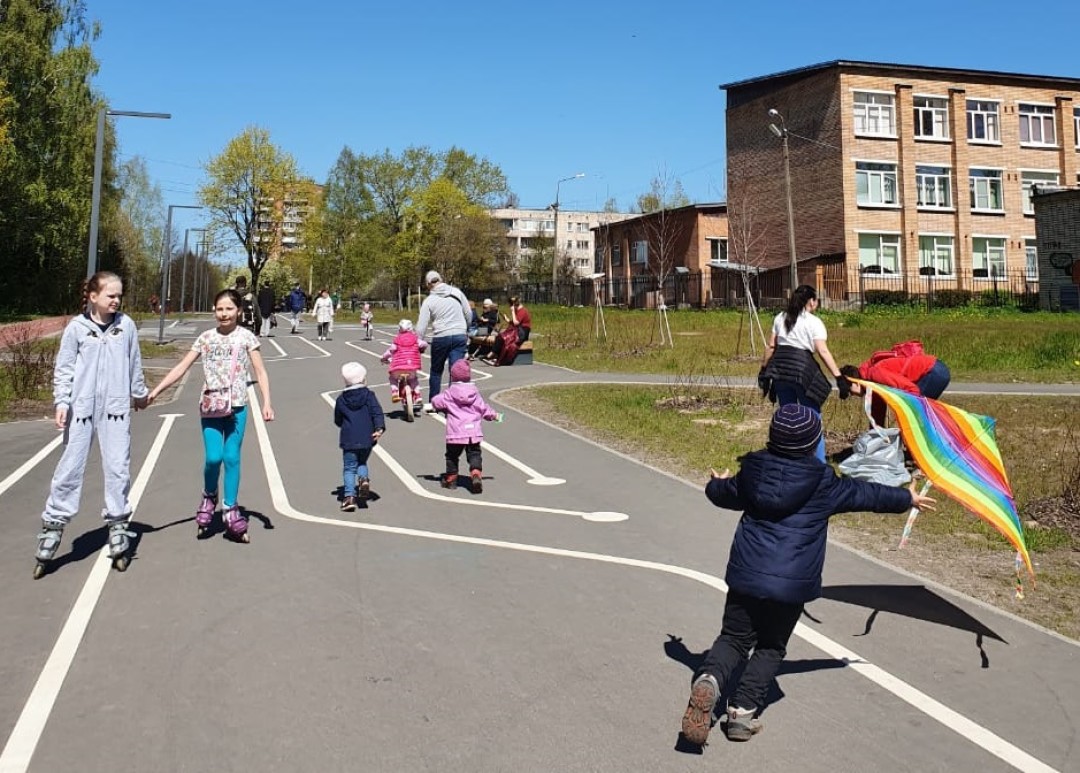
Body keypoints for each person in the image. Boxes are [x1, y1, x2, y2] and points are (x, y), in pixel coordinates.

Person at [680, 403, 936, 746]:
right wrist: (905, 498)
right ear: (813, 441)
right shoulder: (824, 483)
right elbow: (866, 494)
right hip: (792, 584)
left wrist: (715, 485)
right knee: (770, 645)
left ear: (772, 437)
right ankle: (741, 713)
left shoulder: (753, 472)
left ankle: (710, 679)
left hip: (747, 573)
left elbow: (724, 494)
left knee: (733, 638)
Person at [34, 272, 150, 578]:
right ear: (93, 296)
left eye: (119, 295)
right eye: (110, 295)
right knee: (70, 468)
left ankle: (118, 523)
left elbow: (134, 363)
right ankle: (53, 525)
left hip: (115, 410)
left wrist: (139, 393)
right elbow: (65, 369)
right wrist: (62, 402)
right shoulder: (77, 329)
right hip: (81, 409)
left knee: (117, 467)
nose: (116, 300)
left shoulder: (125, 327)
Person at [148, 288, 274, 543]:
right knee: (213, 458)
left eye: (229, 309)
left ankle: (230, 508)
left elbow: (260, 372)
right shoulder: (205, 338)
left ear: (238, 311)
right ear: (214, 311)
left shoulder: (247, 337)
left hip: (237, 407)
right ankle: (209, 496)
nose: (224, 314)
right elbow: (182, 367)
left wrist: (266, 402)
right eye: (219, 309)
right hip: (211, 407)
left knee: (232, 458)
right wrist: (156, 391)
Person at [758, 284, 846, 462]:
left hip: (781, 371)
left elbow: (771, 347)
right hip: (802, 371)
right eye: (816, 300)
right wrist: (838, 377)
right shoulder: (814, 322)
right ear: (811, 302)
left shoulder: (780, 317)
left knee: (787, 418)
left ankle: (789, 460)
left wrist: (764, 370)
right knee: (813, 418)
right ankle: (819, 464)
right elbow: (822, 351)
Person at [431, 359, 502, 494]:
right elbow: (483, 408)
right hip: (473, 432)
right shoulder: (474, 393)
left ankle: (451, 478)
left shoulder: (449, 393)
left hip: (456, 433)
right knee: (474, 453)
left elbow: (437, 401)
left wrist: (434, 405)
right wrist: (494, 415)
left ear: (452, 376)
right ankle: (475, 473)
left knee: (452, 455)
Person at [840, 347, 952, 427]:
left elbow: (912, 390)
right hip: (935, 370)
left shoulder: (874, 374)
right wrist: (875, 436)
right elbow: (877, 410)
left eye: (849, 391)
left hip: (934, 371)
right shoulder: (870, 381)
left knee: (916, 417)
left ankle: (919, 452)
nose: (852, 395)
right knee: (915, 417)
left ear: (854, 381)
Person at [415, 270, 471, 410]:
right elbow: (468, 313)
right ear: (441, 279)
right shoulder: (457, 292)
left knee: (436, 371)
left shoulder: (429, 301)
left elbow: (421, 325)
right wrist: (466, 329)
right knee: (455, 370)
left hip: (441, 336)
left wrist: (418, 342)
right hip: (459, 335)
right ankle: (454, 402)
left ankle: (434, 402)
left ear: (428, 285)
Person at [334, 362, 385, 511]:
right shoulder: (369, 395)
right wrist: (379, 428)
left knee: (349, 468)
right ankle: (363, 479)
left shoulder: (341, 399)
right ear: (363, 379)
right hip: (367, 437)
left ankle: (349, 496)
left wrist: (343, 425)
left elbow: (337, 419)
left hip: (349, 438)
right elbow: (377, 412)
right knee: (362, 461)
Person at [380, 319, 427, 409]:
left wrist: (383, 358)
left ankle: (394, 392)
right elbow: (423, 344)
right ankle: (417, 395)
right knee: (413, 379)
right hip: (412, 367)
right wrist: (422, 349)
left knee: (392, 378)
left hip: (398, 367)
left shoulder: (397, 339)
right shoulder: (415, 338)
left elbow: (390, 351)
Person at [485, 295, 531, 366]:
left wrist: (512, 312)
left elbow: (516, 323)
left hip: (522, 333)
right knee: (500, 337)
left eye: (510, 305)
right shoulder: (518, 310)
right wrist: (507, 320)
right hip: (517, 331)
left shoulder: (522, 311)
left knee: (504, 339)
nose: (510, 307)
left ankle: (493, 355)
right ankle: (495, 355)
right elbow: (514, 323)